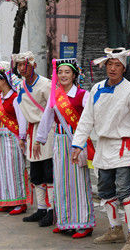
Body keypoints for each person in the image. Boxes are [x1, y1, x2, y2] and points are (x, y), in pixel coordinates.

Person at [71, 47, 130, 250]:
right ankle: (115, 228)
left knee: (125, 191)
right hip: (103, 146)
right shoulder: (96, 89)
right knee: (105, 189)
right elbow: (86, 119)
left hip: (124, 147)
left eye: (117, 65)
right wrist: (77, 144)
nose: (113, 68)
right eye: (110, 64)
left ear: (124, 68)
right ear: (105, 66)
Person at [34, 58, 95, 238]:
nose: (63, 75)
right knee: (61, 182)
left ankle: (84, 223)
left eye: (67, 72)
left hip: (76, 141)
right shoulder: (55, 96)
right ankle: (66, 221)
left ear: (74, 74)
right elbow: (46, 118)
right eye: (60, 72)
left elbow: (90, 118)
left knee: (78, 183)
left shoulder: (83, 95)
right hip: (59, 142)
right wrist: (39, 140)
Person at [12, 52, 55, 227]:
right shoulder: (21, 86)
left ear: (33, 65)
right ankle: (41, 209)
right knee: (36, 172)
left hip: (46, 130)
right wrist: (22, 135)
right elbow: (22, 111)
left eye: (25, 64)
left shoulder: (46, 84)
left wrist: (40, 136)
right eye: (19, 65)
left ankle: (53, 210)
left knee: (48, 171)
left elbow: (50, 111)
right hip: (31, 131)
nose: (22, 68)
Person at [0, 62, 28, 215]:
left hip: (13, 137)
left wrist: (22, 137)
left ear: (4, 80)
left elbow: (21, 119)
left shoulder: (14, 97)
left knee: (15, 169)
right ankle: (6, 199)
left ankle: (19, 202)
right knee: (2, 169)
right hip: (0, 138)